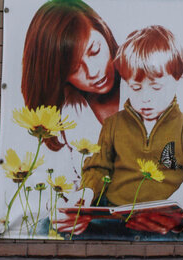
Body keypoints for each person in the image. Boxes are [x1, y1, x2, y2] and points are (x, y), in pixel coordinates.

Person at [60, 25, 183, 239]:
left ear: (180, 78)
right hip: (116, 220)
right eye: (136, 88)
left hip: (164, 222)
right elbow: (97, 167)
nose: (146, 98)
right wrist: (87, 191)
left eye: (156, 88)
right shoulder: (113, 125)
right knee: (67, 231)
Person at [22, 0, 121, 156]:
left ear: (104, 30)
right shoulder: (65, 115)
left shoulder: (149, 76)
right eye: (74, 69)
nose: (93, 72)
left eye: (95, 51)